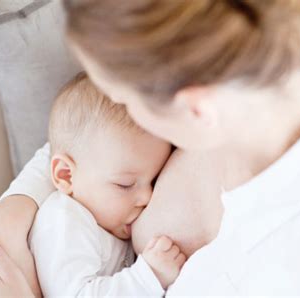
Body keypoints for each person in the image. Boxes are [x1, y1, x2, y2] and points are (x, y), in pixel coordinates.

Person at [0, 0, 300, 296]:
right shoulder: (263, 52)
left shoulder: (285, 267)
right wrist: (21, 200)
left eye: (127, 100)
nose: (124, 110)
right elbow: (92, 135)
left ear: (193, 107)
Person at [29, 72, 184, 296]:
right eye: (125, 184)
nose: (147, 197)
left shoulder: (105, 221)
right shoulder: (65, 221)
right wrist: (148, 276)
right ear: (65, 175)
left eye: (153, 180)